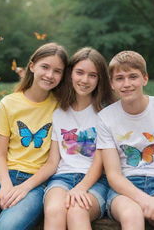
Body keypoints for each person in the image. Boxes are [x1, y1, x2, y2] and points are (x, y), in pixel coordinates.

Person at [0, 42, 68, 230]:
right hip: (2, 177)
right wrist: (6, 185)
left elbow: (52, 163)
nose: (50, 75)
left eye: (57, 71)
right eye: (45, 67)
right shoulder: (9, 103)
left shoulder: (61, 108)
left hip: (37, 184)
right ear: (32, 66)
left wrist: (23, 188)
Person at [96, 51, 154, 230]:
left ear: (145, 79)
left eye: (133, 77)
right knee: (132, 217)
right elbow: (114, 174)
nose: (127, 84)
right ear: (112, 84)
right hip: (125, 187)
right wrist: (145, 201)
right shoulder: (105, 117)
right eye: (120, 78)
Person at [43, 47, 115, 230]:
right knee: (54, 210)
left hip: (96, 181)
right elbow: (53, 161)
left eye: (93, 75)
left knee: (77, 210)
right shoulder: (59, 113)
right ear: (70, 74)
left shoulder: (106, 113)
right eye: (80, 73)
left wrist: (82, 187)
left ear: (100, 80)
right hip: (62, 178)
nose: (84, 80)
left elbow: (101, 161)